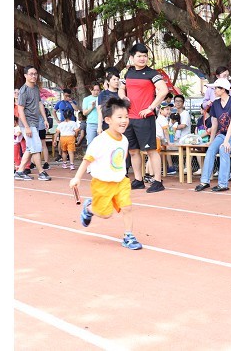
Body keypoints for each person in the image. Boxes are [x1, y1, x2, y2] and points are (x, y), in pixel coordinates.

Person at [69, 97, 143, 250]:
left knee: (127, 207)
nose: (124, 121)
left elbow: (122, 159)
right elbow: (87, 160)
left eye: (126, 117)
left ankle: (128, 236)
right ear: (108, 120)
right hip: (102, 183)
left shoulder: (124, 140)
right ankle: (89, 209)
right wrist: (77, 178)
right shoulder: (100, 141)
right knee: (105, 214)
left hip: (121, 181)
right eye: (120, 117)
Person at [118, 43, 168, 193]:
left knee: (151, 150)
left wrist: (150, 108)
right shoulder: (127, 73)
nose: (142, 58)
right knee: (133, 151)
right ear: (132, 57)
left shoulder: (152, 73)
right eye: (139, 56)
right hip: (129, 118)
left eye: (145, 56)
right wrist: (123, 97)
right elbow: (121, 88)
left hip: (145, 118)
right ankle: (138, 180)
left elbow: (163, 90)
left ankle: (158, 181)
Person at [194, 77, 231, 192]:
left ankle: (223, 184)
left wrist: (226, 141)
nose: (214, 91)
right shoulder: (216, 103)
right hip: (222, 134)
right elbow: (214, 123)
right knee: (211, 149)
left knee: (223, 149)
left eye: (216, 88)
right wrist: (212, 140)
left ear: (223, 89)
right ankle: (204, 181)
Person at [14, 66, 52, 181]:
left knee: (30, 148)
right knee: (36, 146)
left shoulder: (35, 88)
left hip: (35, 122)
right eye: (31, 74)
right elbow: (20, 110)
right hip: (27, 123)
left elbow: (40, 104)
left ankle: (19, 172)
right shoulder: (23, 91)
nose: (34, 76)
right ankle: (41, 172)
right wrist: (26, 127)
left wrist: (45, 119)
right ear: (25, 75)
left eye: (35, 73)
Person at [97, 70, 120, 134]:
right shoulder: (103, 94)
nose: (116, 81)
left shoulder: (121, 93)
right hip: (107, 124)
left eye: (118, 79)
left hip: (120, 124)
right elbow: (100, 111)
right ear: (108, 82)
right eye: (114, 79)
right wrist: (99, 126)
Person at [82, 82, 100, 146]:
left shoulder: (101, 98)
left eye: (98, 90)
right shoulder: (86, 99)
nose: (96, 92)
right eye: (94, 90)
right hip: (91, 124)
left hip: (101, 123)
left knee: (101, 145)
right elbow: (84, 113)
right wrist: (92, 107)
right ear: (90, 90)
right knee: (90, 144)